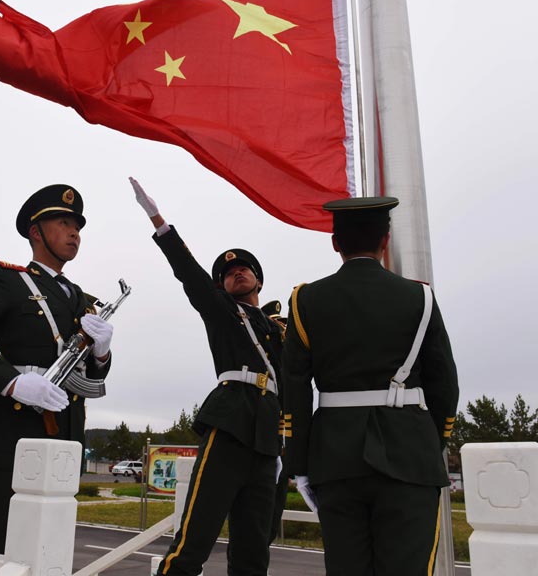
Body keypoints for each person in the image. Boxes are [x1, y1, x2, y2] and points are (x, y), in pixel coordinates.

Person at [0, 184, 113, 554]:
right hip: (13, 430)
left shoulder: (84, 299)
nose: (74, 232)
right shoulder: (8, 281)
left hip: (65, 435)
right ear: (36, 232)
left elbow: (92, 379)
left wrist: (102, 353)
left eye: (78, 226)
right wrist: (12, 382)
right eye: (63, 223)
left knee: (50, 547)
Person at [283, 196, 459, 576]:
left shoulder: (305, 300)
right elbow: (444, 383)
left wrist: (299, 464)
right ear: (386, 239)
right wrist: (431, 442)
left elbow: (294, 391)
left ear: (335, 243)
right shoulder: (421, 297)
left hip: (334, 461)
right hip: (410, 454)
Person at [130, 177, 284, 576]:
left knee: (255, 548)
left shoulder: (281, 327)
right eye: (229, 272)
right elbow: (191, 275)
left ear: (260, 280)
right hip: (230, 423)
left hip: (269, 436)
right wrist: (159, 222)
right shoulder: (221, 312)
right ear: (221, 286)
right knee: (195, 538)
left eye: (245, 268)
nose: (238, 273)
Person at [260, 300, 290, 545]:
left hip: (281, 444)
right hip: (260, 442)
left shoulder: (287, 366)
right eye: (276, 325)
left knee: (270, 522)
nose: (281, 330)